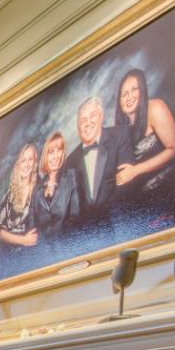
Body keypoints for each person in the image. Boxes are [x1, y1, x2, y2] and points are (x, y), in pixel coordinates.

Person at [111, 67, 175, 233]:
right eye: (124, 93)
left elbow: (174, 147)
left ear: (142, 90)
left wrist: (135, 170)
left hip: (167, 194)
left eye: (134, 89)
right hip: (143, 205)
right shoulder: (122, 129)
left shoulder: (155, 107)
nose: (129, 97)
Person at [64, 96, 122, 248]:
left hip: (123, 231)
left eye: (92, 116)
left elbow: (129, 188)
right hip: (88, 242)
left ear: (102, 117)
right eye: (83, 120)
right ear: (78, 128)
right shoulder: (69, 161)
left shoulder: (120, 135)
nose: (87, 123)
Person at [32, 131, 78, 248]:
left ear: (63, 153)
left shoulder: (72, 177)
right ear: (45, 156)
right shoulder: (36, 191)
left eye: (59, 150)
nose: (56, 156)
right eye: (51, 152)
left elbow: (76, 217)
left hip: (70, 246)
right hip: (46, 255)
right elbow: (33, 228)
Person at [0, 142, 39, 248]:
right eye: (23, 160)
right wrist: (22, 240)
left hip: (34, 252)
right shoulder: (9, 193)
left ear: (34, 163)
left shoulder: (40, 188)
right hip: (10, 253)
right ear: (17, 164)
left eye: (30, 159)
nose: (27, 164)